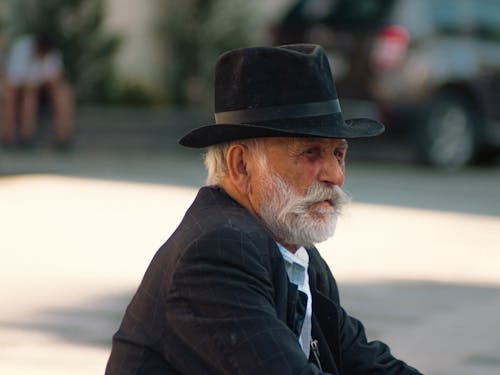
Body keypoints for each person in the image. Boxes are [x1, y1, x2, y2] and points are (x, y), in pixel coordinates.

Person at [106, 44, 422, 374]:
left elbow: (365, 361)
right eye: (311, 153)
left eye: (339, 154)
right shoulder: (217, 251)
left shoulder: (299, 256)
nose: (336, 175)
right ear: (241, 165)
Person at [1, 33, 74, 148]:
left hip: (43, 91)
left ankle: (63, 139)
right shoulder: (21, 49)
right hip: (22, 92)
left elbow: (55, 78)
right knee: (28, 95)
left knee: (64, 93)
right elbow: (15, 80)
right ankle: (22, 137)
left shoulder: (52, 53)